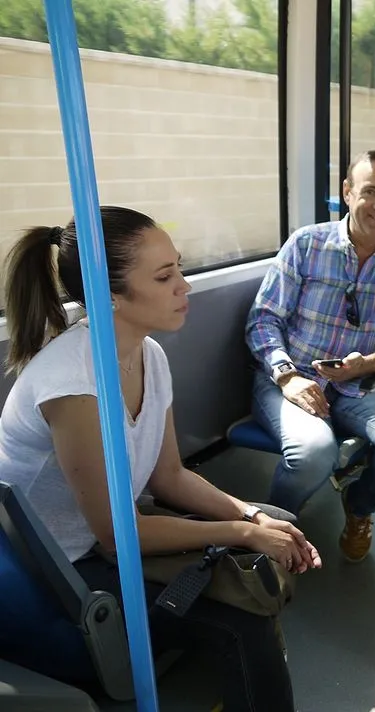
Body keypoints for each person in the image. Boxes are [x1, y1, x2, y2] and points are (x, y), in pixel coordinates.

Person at [0, 207, 321, 712]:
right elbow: (116, 534)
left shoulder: (148, 354)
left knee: (280, 521)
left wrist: (253, 515)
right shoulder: (72, 384)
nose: (185, 287)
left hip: (109, 536)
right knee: (245, 627)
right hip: (64, 561)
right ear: (110, 297)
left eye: (180, 268)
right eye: (165, 276)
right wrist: (240, 532)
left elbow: (168, 476)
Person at [246, 149, 375, 563]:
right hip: (288, 378)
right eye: (370, 192)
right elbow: (262, 320)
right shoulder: (306, 245)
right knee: (315, 453)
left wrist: (366, 365)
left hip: (357, 384)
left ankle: (359, 505)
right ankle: (272, 535)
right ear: (347, 193)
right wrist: (287, 377)